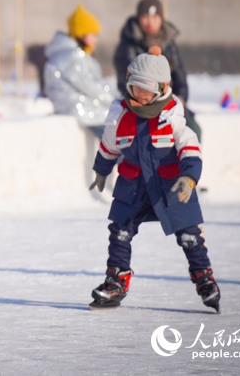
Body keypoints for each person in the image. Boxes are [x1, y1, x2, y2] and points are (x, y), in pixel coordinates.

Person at [88, 46, 220, 312]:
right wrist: (102, 170)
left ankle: (204, 278)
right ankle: (116, 281)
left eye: (147, 90)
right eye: (136, 89)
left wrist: (190, 177)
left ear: (162, 88)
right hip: (133, 187)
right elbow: (110, 145)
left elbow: (189, 146)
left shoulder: (172, 115)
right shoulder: (121, 113)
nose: (141, 95)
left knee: (189, 235)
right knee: (120, 232)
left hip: (170, 187)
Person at [113, 0, 202, 140]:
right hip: (140, 103)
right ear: (139, 18)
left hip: (169, 101)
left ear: (161, 18)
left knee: (193, 132)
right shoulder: (128, 44)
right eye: (145, 17)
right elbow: (126, 79)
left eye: (155, 17)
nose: (150, 21)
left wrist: (181, 97)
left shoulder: (169, 43)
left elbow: (180, 73)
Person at [43, 3, 116, 138]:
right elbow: (90, 87)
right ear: (81, 34)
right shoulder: (72, 57)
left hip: (79, 108)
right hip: (80, 110)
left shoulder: (70, 54)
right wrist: (116, 102)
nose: (96, 39)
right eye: (93, 35)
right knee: (120, 140)